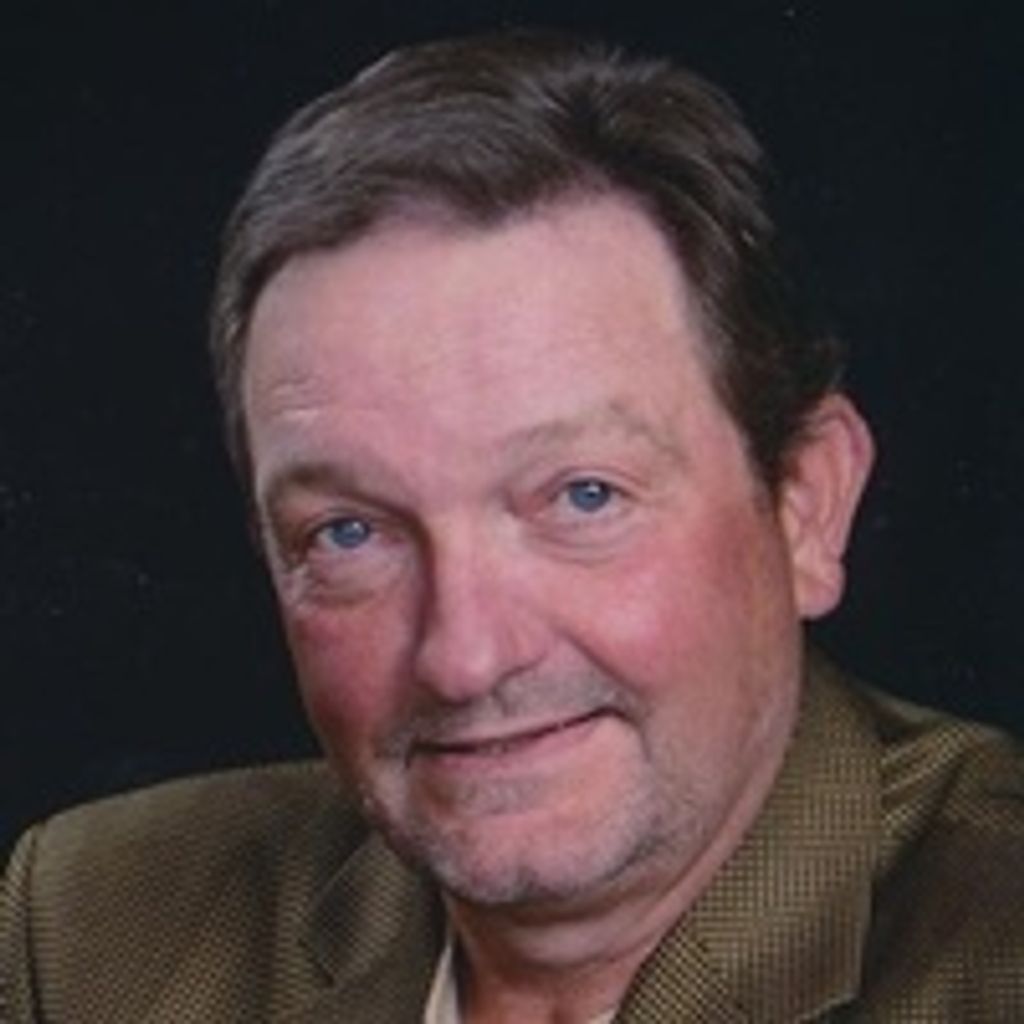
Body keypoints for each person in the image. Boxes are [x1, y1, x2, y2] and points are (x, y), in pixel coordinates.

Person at [3, 30, 1022, 1023]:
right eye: (351, 532)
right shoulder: (95, 929)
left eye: (582, 497)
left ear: (805, 503)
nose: (465, 658)